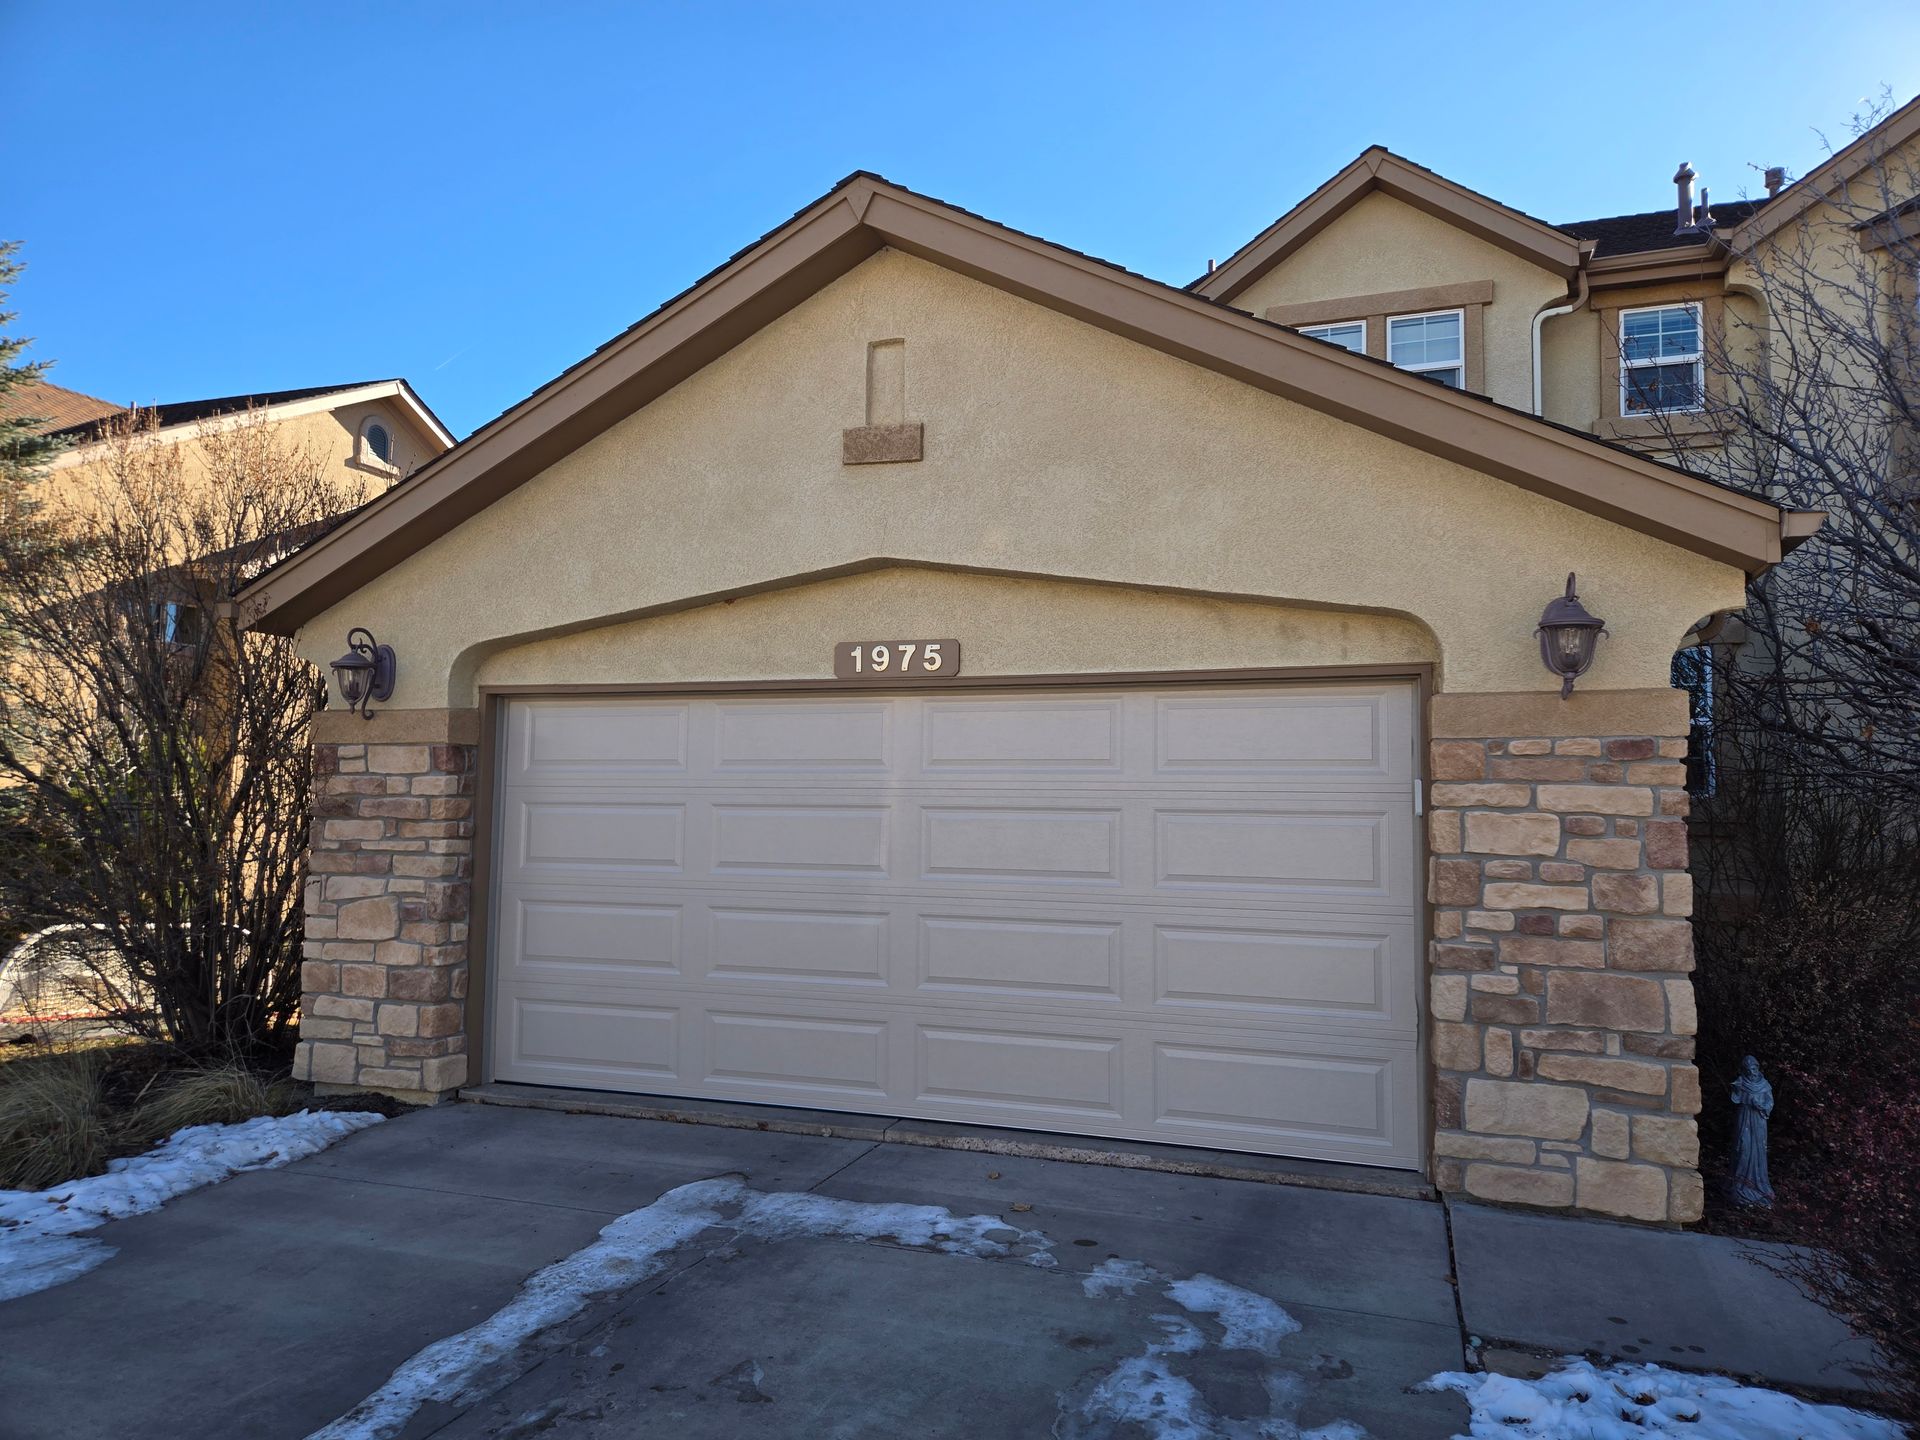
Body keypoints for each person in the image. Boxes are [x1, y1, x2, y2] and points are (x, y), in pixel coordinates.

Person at [1728, 1055, 1775, 1207]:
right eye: (1748, 1069)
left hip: (1759, 1123)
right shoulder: (1741, 1082)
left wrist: (1761, 1105)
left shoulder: (1765, 1085)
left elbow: (1769, 1103)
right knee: (1743, 1149)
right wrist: (1736, 1090)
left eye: (1753, 1068)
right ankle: (1740, 1185)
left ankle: (1757, 1186)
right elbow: (1735, 1099)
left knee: (1758, 1152)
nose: (1751, 1072)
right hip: (1744, 1121)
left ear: (1758, 1068)